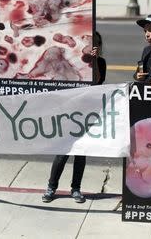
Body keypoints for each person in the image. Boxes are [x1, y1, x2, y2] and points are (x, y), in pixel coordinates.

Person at [42, 32, 107, 203]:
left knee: (81, 153)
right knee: (62, 151)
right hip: (70, 111)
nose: (93, 46)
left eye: (96, 44)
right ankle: (51, 187)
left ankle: (76, 188)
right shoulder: (75, 60)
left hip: (87, 113)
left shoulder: (100, 62)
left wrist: (94, 61)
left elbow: (98, 80)